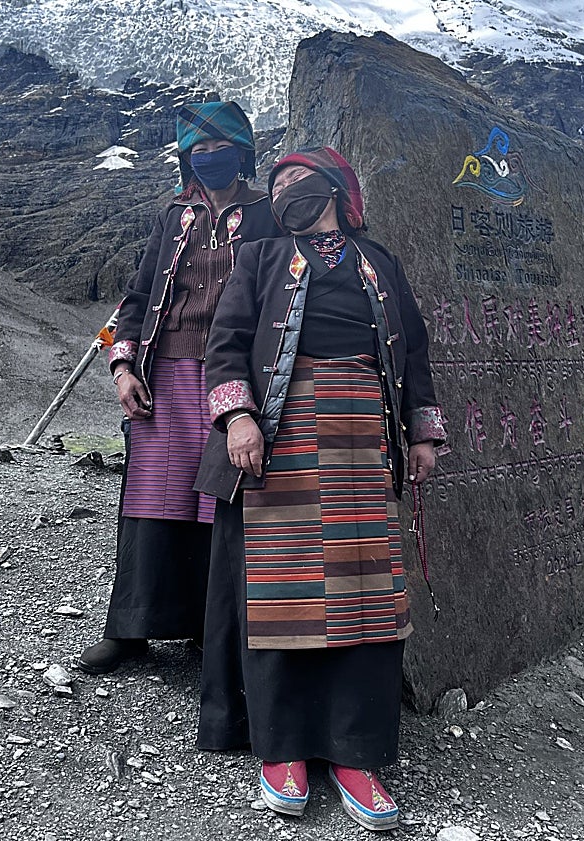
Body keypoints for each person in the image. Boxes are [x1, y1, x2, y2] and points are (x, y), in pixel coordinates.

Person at [194, 147, 446, 830]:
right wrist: (239, 415)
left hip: (363, 438)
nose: (280, 191)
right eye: (274, 184)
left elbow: (414, 352)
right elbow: (226, 343)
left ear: (335, 188)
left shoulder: (379, 262)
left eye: (294, 180)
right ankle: (283, 749)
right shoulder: (262, 259)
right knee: (287, 595)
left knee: (366, 597)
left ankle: (355, 753)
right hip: (280, 439)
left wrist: (421, 433)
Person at [78, 101, 282, 675]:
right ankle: (132, 628)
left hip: (236, 375)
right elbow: (138, 298)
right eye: (200, 150)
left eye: (221, 150)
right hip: (164, 374)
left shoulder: (269, 218)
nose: (210, 159)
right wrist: (123, 368)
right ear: (187, 157)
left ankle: (209, 631)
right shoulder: (174, 218)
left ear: (243, 154)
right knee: (151, 501)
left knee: (218, 503)